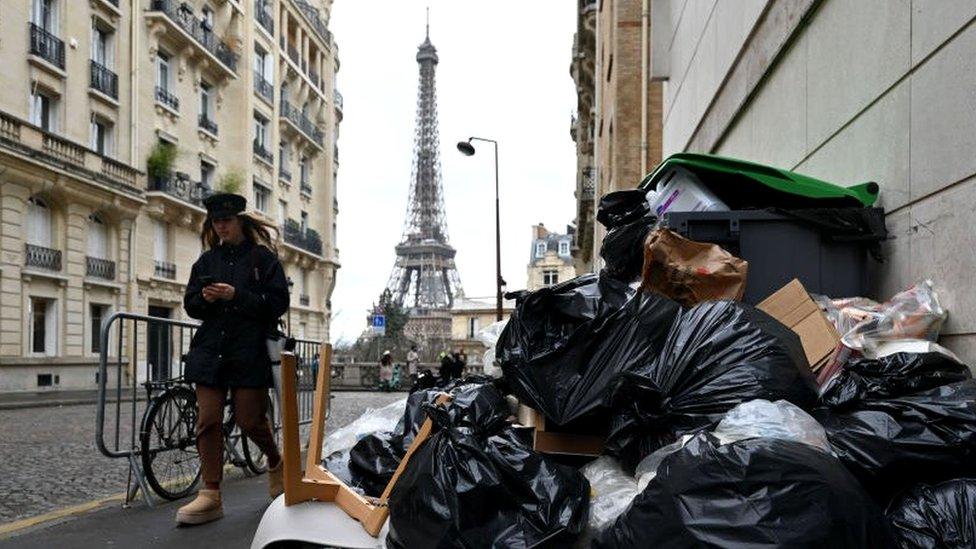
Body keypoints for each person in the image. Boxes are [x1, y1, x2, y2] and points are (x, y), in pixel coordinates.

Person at [176, 193, 289, 526]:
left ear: (240, 221)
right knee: (207, 420)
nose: (221, 226)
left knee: (250, 419)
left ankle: (275, 460)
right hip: (211, 350)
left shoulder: (263, 259)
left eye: (226, 220)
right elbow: (191, 304)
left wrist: (237, 295)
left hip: (248, 350)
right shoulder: (206, 263)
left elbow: (277, 303)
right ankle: (210, 495)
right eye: (216, 221)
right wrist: (207, 298)